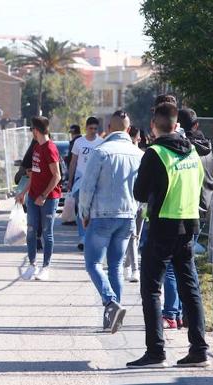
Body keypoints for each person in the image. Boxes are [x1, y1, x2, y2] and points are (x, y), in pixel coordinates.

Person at [128, 102, 209, 368]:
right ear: (177, 125)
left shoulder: (155, 153)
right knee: (190, 288)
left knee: (151, 288)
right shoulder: (193, 153)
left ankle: (156, 352)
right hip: (189, 226)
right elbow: (199, 187)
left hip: (163, 226)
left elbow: (139, 193)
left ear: (154, 126)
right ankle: (199, 349)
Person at [78, 110, 142, 334]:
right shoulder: (138, 154)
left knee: (93, 264)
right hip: (127, 217)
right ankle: (114, 317)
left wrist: (83, 213)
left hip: (102, 215)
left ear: (109, 126)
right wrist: (136, 210)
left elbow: (87, 187)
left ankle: (110, 302)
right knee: (115, 266)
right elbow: (142, 190)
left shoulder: (101, 151)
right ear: (128, 127)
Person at [162, 108, 213, 329]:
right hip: (204, 206)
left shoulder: (183, 149)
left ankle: (172, 313)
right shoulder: (208, 148)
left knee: (175, 267)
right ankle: (185, 315)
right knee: (188, 265)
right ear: (197, 125)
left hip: (183, 207)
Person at [16, 117, 61, 281]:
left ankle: (46, 267)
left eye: (32, 130)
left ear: (36, 130)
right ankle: (32, 265)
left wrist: (44, 195)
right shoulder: (36, 148)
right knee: (30, 231)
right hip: (33, 197)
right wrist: (23, 192)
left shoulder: (50, 148)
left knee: (47, 233)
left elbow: (57, 176)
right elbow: (33, 175)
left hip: (48, 198)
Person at [68, 117, 104, 251]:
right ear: (86, 128)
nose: (93, 131)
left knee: (93, 209)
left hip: (95, 181)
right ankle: (82, 236)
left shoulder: (101, 142)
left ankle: (91, 235)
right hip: (80, 180)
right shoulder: (79, 142)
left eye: (95, 129)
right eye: (91, 128)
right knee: (81, 208)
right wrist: (70, 180)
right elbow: (73, 162)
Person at [124, 126, 145, 283]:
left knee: (137, 234)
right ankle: (134, 269)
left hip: (142, 201)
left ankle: (126, 264)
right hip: (131, 200)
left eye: (135, 138)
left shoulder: (143, 155)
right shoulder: (128, 154)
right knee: (133, 235)